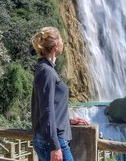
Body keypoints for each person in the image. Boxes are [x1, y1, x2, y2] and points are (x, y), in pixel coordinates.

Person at [31, 27, 89, 161]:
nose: (64, 43)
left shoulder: (45, 70)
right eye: (62, 40)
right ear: (56, 46)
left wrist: (67, 122)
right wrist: (55, 146)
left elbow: (50, 107)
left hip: (49, 139)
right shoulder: (46, 72)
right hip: (53, 141)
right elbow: (46, 110)